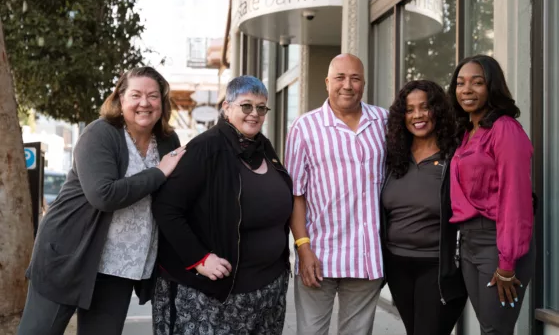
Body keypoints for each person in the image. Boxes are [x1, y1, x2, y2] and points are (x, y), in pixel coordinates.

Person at [18, 66, 184, 335]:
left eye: (153, 96)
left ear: (163, 103)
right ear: (120, 99)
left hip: (122, 265)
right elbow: (103, 195)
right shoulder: (101, 134)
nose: (145, 103)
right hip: (70, 256)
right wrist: (158, 172)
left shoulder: (167, 141)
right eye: (136, 95)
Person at [152, 75, 293, 335]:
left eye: (261, 107)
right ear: (227, 108)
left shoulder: (263, 147)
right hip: (214, 298)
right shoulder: (205, 148)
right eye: (246, 106)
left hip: (267, 293)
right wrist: (199, 259)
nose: (255, 114)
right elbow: (166, 208)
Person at [285, 54, 387, 335]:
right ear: (327, 82)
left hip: (367, 257)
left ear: (363, 83)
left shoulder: (384, 122)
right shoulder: (304, 128)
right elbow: (295, 194)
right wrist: (303, 248)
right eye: (340, 78)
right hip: (319, 255)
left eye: (355, 78)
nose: (347, 85)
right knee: (310, 332)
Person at [448, 55, 535, 334]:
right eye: (460, 83)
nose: (467, 90)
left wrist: (507, 262)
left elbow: (516, 199)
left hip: (498, 244)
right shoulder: (468, 133)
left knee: (495, 331)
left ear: (492, 87)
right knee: (487, 327)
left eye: (477, 82)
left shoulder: (505, 129)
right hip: (470, 241)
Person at [381, 80, 467, 335]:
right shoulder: (394, 156)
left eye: (425, 107)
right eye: (409, 109)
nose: (417, 115)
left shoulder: (455, 155)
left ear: (437, 111)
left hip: (437, 266)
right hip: (397, 266)